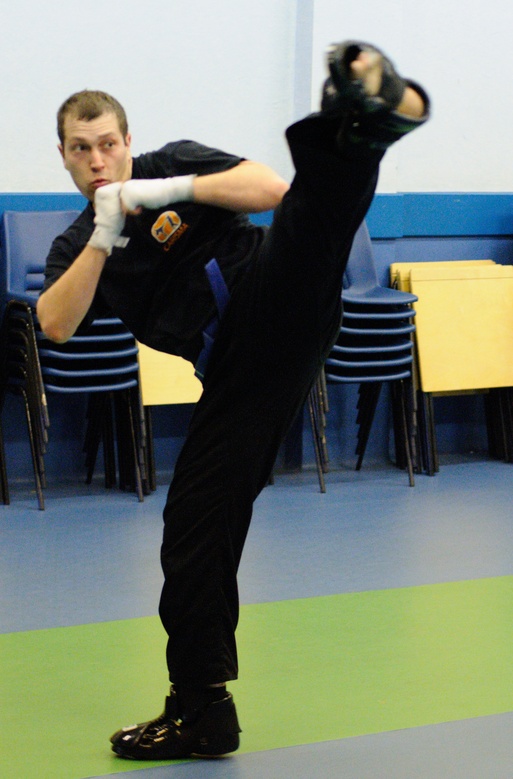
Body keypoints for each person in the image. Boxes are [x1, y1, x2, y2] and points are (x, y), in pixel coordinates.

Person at [37, 40, 430, 760]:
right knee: (193, 523)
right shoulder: (76, 243)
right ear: (62, 157)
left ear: (128, 141)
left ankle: (359, 129)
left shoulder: (171, 163)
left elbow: (268, 189)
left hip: (267, 298)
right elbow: (55, 323)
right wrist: (104, 231)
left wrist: (163, 191)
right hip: (237, 377)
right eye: (81, 149)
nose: (98, 160)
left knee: (306, 227)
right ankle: (202, 709)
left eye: (108, 144)